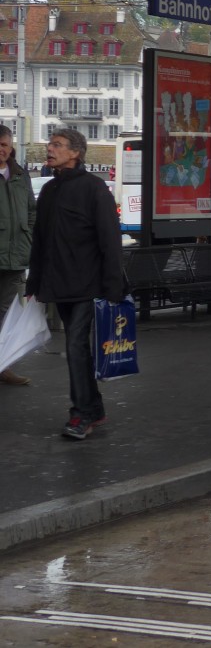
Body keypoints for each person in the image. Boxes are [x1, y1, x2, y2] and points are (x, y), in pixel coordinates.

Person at [26, 128, 124, 440]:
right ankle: (94, 409)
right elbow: (40, 240)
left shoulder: (94, 188)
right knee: (77, 346)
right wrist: (35, 284)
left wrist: (113, 287)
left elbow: (110, 240)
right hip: (61, 283)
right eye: (50, 144)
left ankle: (81, 414)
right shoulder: (51, 190)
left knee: (76, 346)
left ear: (76, 153)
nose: (49, 148)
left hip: (88, 284)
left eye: (57, 145)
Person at [0, 125, 35, 386]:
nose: (2, 150)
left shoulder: (21, 175)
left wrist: (29, 237)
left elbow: (32, 210)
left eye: (5, 145)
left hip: (14, 257)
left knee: (8, 314)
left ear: (11, 147)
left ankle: (4, 366)